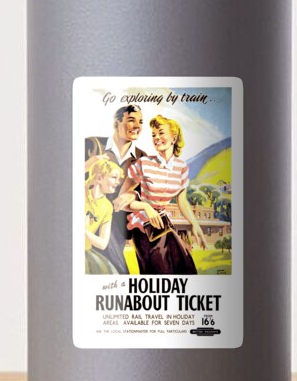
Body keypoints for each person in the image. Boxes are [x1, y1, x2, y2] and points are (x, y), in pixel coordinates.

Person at [117, 115, 207, 275]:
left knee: (185, 265)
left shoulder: (181, 167)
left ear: (174, 137)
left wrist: (195, 224)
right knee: (160, 270)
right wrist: (145, 206)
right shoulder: (143, 163)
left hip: (163, 223)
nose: (156, 138)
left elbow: (182, 201)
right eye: (153, 134)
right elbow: (121, 200)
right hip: (143, 227)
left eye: (160, 133)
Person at [84, 104, 145, 273]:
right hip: (88, 217)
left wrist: (133, 195)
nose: (137, 126)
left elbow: (146, 191)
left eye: (141, 122)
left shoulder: (142, 157)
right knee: (116, 269)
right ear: (116, 124)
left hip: (117, 225)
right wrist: (85, 166)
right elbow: (62, 177)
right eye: (131, 120)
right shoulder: (92, 145)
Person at [84, 157, 124, 274]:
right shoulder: (80, 191)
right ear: (99, 178)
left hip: (86, 251)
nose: (118, 182)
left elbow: (103, 243)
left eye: (119, 179)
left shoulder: (107, 207)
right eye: (113, 177)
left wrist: (85, 232)